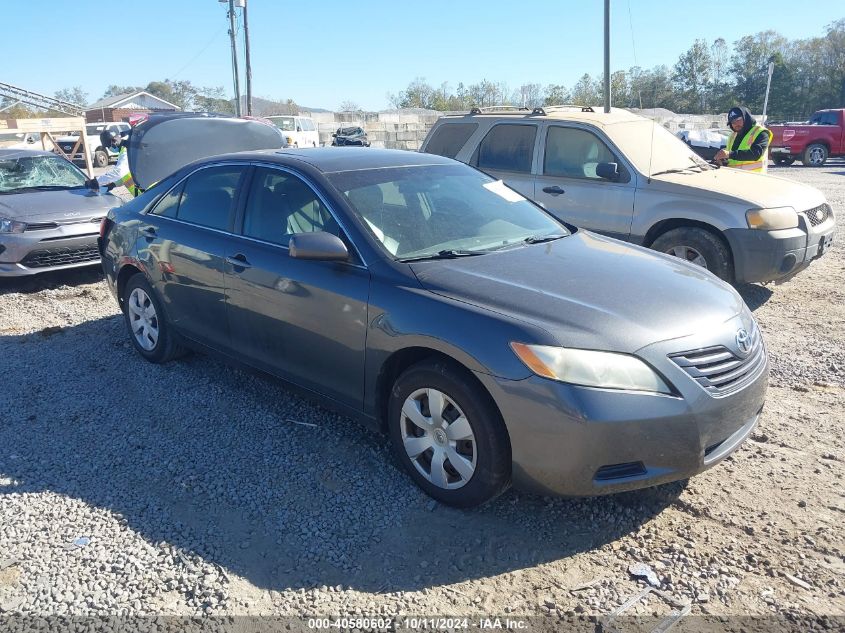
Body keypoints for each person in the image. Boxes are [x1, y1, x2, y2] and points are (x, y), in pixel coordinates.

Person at [88, 114, 148, 196]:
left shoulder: (126, 150)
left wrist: (97, 181)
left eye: (108, 146)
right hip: (143, 193)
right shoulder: (128, 146)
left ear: (113, 142)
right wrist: (113, 185)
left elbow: (119, 172)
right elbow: (126, 175)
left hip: (148, 190)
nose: (109, 149)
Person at [713, 106, 772, 173]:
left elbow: (756, 154)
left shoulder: (761, 132)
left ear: (746, 118)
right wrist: (722, 161)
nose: (735, 124)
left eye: (738, 120)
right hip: (735, 177)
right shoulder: (733, 135)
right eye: (732, 122)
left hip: (754, 178)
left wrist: (729, 154)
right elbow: (732, 160)